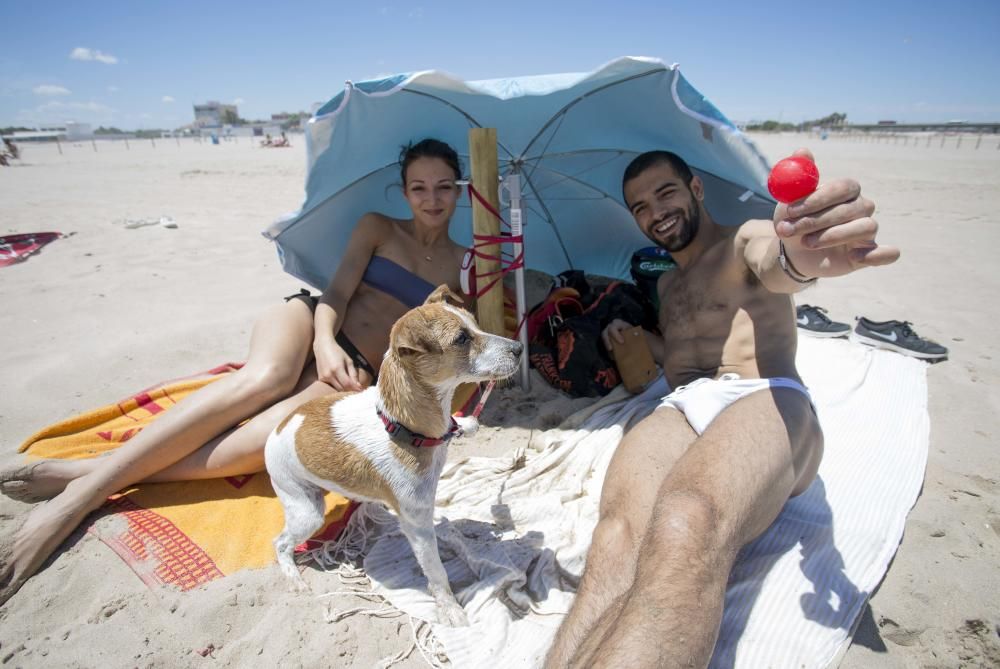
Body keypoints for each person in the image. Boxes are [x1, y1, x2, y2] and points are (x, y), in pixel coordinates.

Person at [0, 138, 470, 606]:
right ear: (404, 191)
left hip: (354, 371)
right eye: (419, 187)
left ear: (460, 190)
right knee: (265, 379)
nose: (431, 199)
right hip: (311, 323)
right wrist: (324, 342)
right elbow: (338, 294)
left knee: (267, 442)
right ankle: (73, 504)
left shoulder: (463, 265)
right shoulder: (378, 227)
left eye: (443, 187)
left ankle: (86, 473)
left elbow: (457, 340)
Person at [544, 149, 899, 668]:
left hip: (764, 394)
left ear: (696, 190)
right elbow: (686, 362)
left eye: (666, 192)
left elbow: (778, 263)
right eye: (640, 206)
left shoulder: (744, 239)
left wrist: (802, 258)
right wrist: (641, 337)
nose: (655, 211)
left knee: (687, 518)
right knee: (616, 536)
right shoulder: (666, 283)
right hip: (687, 402)